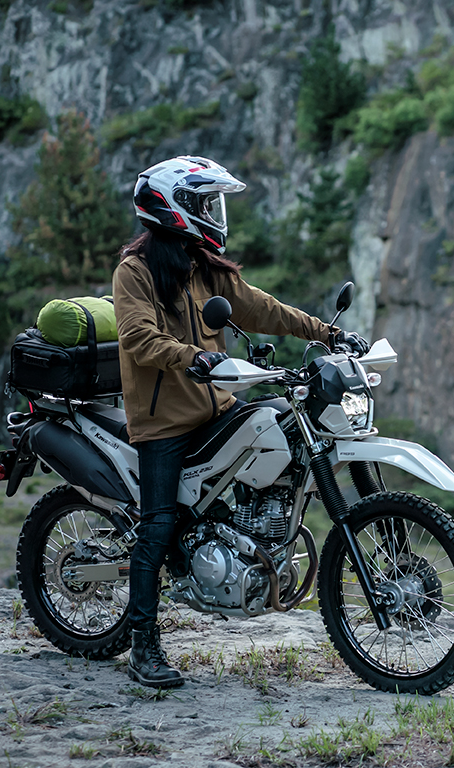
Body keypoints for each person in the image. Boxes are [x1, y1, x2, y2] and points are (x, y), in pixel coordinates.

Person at [113, 155, 369, 688]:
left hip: (217, 408)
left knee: (283, 427)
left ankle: (256, 539)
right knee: (157, 525)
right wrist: (192, 357)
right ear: (174, 207)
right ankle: (142, 647)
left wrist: (328, 333)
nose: (214, 213)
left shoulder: (206, 268)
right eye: (206, 203)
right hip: (163, 422)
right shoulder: (135, 273)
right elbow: (137, 338)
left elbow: (262, 309)